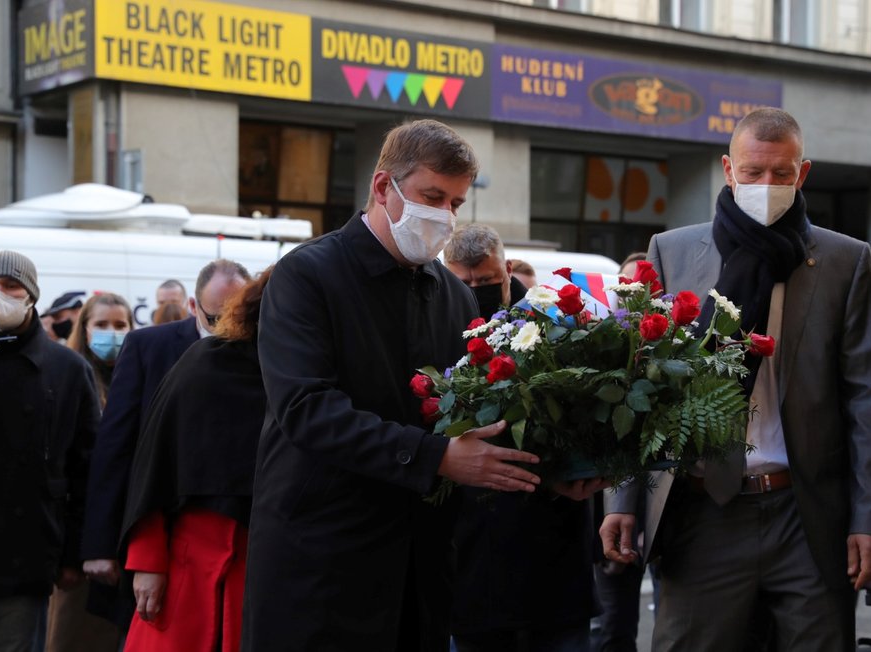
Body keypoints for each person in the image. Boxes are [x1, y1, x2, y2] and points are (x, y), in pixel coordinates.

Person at [600, 108, 871, 651]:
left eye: (781, 174)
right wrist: (621, 501)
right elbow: (638, 387)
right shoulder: (674, 251)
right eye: (753, 171)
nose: (766, 185)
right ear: (727, 170)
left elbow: (869, 399)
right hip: (702, 507)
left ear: (802, 174)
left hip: (806, 514)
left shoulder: (842, 260)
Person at [241, 119, 542, 652]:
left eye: (455, 203)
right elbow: (306, 408)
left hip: (419, 569)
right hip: (322, 562)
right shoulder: (306, 275)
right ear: (384, 187)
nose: (444, 216)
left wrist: (553, 470)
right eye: (432, 196)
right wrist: (434, 458)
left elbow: (470, 413)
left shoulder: (452, 294)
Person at [443, 224, 604, 651]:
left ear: (507, 268)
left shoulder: (553, 317)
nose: (476, 291)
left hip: (555, 541)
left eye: (488, 281)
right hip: (474, 554)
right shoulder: (435, 324)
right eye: (465, 283)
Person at [119, 267, 272, 652]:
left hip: (268, 572)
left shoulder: (305, 371)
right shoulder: (203, 363)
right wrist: (148, 563)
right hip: (187, 570)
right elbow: (155, 464)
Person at [80, 260, 250, 599]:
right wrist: (99, 543)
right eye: (216, 318)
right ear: (192, 306)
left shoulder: (261, 346)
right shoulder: (148, 347)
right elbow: (116, 446)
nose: (228, 328)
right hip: (154, 519)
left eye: (239, 316)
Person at [0, 250, 100, 651]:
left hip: (27, 558)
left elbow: (87, 468)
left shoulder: (66, 369)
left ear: (31, 295)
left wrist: (74, 554)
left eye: (9, 286)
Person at [45, 293, 134, 651]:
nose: (111, 334)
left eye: (120, 325)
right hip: (79, 543)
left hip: (124, 541)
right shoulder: (70, 378)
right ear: (84, 329)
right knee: (74, 636)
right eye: (101, 325)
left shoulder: (136, 378)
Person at [444, 223, 528, 320]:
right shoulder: (437, 315)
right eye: (463, 283)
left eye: (485, 280)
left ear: (508, 269)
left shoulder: (541, 320)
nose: (475, 290)